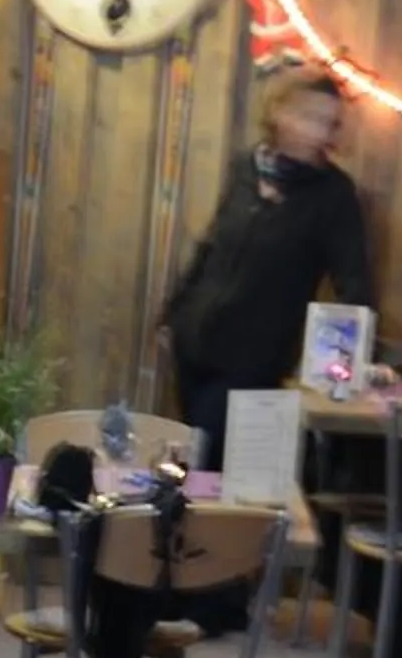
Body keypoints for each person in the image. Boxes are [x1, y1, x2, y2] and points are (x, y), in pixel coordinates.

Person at [161, 65, 375, 459]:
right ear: (279, 111)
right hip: (195, 340)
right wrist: (174, 313)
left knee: (208, 461)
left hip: (254, 359)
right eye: (310, 117)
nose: (319, 132)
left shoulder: (334, 194)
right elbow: (212, 245)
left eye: (329, 124)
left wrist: (340, 367)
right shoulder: (245, 167)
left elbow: (354, 284)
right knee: (193, 466)